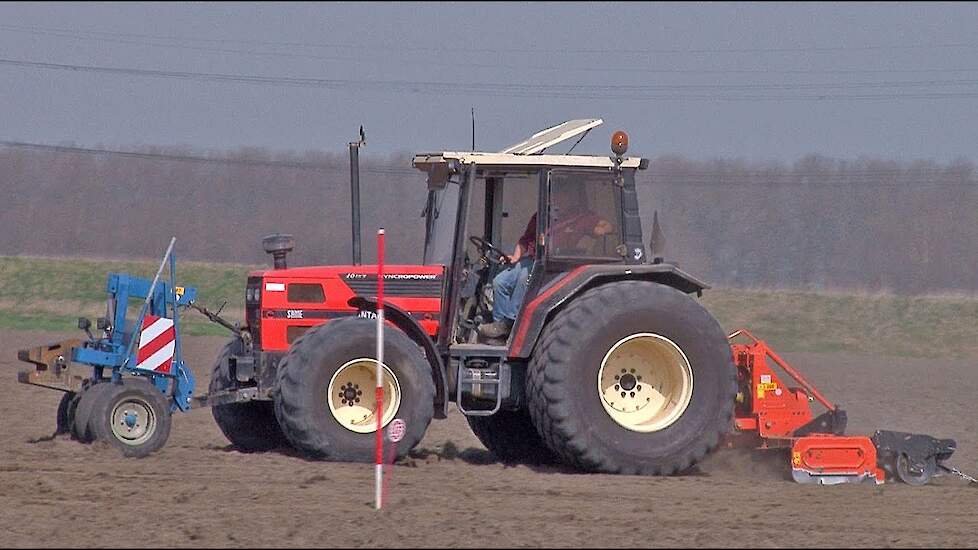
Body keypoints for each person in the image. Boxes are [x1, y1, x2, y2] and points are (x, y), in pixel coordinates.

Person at [478, 184, 613, 340]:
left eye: (561, 195)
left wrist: (599, 231)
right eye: (555, 195)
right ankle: (501, 324)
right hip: (531, 258)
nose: (557, 199)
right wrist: (515, 257)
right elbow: (526, 239)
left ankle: (513, 322)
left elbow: (606, 226)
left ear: (570, 197)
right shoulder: (541, 216)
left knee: (524, 278)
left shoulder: (581, 218)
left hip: (553, 264)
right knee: (499, 282)